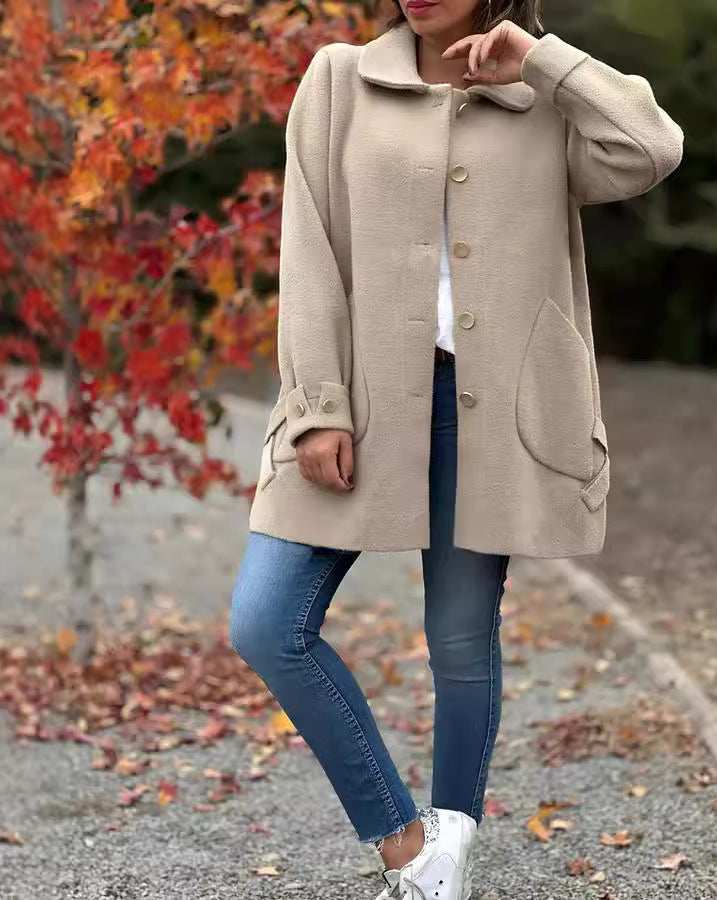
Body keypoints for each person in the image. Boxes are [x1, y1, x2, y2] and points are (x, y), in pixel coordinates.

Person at [229, 0, 683, 895]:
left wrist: (542, 60)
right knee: (267, 621)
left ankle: (445, 864)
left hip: (496, 410)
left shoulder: (544, 97)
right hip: (361, 404)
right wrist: (318, 402)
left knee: (461, 641)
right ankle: (400, 839)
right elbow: (308, 244)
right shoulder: (340, 80)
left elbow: (650, 148)